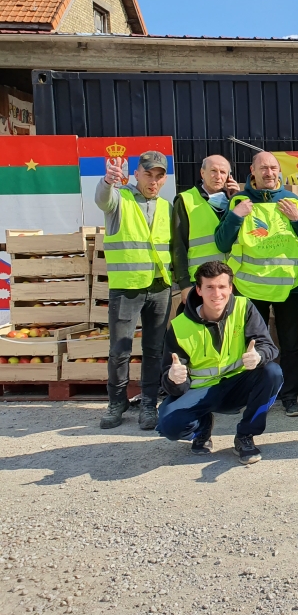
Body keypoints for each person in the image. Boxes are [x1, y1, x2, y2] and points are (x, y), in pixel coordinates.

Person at [215, 151, 298, 418]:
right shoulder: (239, 200)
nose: (269, 173)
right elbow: (222, 243)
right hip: (250, 287)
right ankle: (257, 395)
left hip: (287, 286)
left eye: (273, 168)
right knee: (252, 345)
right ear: (253, 171)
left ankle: (290, 396)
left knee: (290, 344)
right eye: (264, 168)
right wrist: (236, 216)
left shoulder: (291, 200)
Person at [156, 261, 283, 464]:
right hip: (201, 391)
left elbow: (269, 347)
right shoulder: (180, 327)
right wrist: (174, 379)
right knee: (168, 426)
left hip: (237, 386)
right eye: (210, 287)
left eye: (222, 287)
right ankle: (202, 426)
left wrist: (258, 356)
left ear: (231, 288)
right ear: (198, 290)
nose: (217, 294)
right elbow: (171, 382)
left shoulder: (244, 308)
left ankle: (245, 435)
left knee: (273, 372)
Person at [95, 151, 173, 431]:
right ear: (137, 174)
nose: (153, 181)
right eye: (148, 174)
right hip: (127, 287)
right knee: (120, 349)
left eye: (158, 176)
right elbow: (103, 199)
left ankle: (149, 404)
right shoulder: (120, 199)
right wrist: (107, 181)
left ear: (164, 179)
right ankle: (116, 403)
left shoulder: (166, 206)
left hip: (159, 286)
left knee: (154, 350)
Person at [170, 154, 240, 312]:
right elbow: (178, 246)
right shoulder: (186, 200)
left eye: (223, 172)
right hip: (200, 283)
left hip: (230, 282)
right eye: (213, 171)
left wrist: (236, 199)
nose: (218, 176)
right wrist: (184, 285)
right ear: (202, 173)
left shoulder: (234, 202)